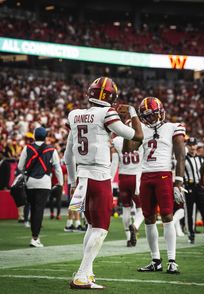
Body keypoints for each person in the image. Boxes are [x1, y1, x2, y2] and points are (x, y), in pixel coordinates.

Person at [64, 76, 143, 289]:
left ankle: (87, 273)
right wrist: (133, 113)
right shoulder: (107, 112)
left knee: (91, 225)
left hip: (82, 177)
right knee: (101, 228)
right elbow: (134, 135)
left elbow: (67, 157)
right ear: (110, 96)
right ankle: (81, 275)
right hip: (99, 176)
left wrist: (72, 182)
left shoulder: (74, 114)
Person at [122, 97, 186, 274]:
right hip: (145, 175)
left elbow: (181, 155)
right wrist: (128, 130)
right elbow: (128, 150)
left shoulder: (173, 127)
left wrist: (178, 181)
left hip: (164, 175)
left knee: (167, 216)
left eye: (152, 115)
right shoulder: (141, 128)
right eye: (146, 116)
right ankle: (155, 259)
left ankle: (172, 260)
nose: (150, 119)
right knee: (149, 219)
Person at [18, 127, 63, 247]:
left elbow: (20, 166)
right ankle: (35, 238)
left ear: (34, 136)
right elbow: (57, 168)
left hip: (30, 182)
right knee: (39, 210)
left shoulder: (27, 148)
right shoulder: (51, 149)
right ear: (46, 136)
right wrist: (60, 183)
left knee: (33, 208)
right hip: (44, 183)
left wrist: (25, 176)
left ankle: (34, 235)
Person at [111, 126, 144, 247]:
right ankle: (135, 226)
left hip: (123, 178)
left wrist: (109, 180)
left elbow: (114, 163)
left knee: (126, 208)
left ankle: (129, 239)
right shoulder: (141, 138)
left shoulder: (118, 140)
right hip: (136, 177)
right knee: (142, 208)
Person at [184, 137, 204, 244]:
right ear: (187, 146)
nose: (192, 147)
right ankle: (191, 234)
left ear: (196, 146)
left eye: (194, 145)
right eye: (190, 145)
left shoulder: (201, 159)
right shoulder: (183, 159)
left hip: (200, 187)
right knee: (190, 213)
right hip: (189, 187)